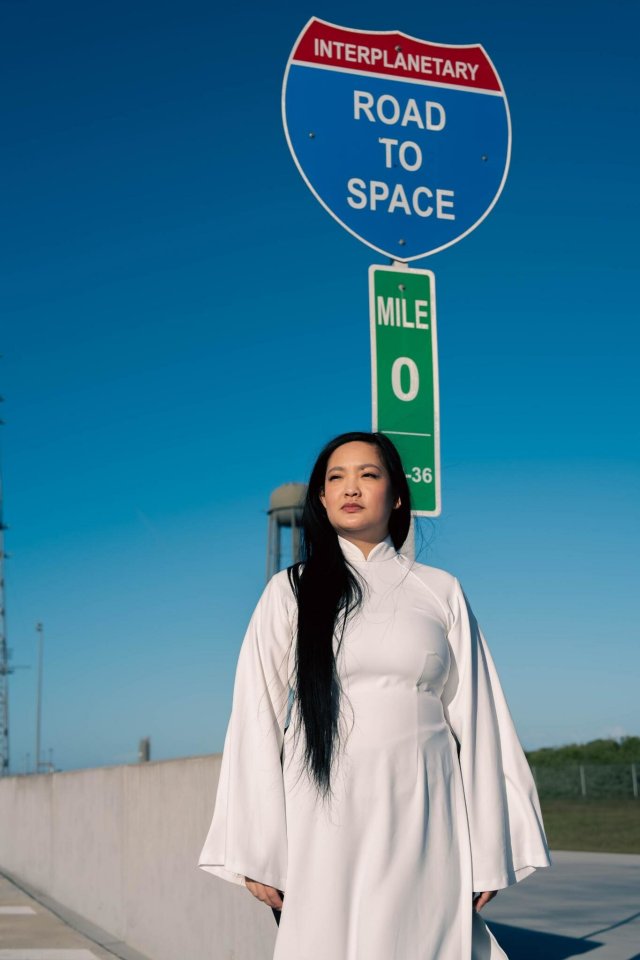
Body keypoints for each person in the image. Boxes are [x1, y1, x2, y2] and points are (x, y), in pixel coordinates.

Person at [198, 431, 552, 959]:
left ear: (398, 494)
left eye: (368, 474)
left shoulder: (441, 590)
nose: (351, 487)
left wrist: (490, 847)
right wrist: (257, 847)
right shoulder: (288, 591)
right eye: (335, 478)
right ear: (320, 498)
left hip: (426, 813)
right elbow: (256, 719)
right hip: (321, 817)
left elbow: (481, 720)